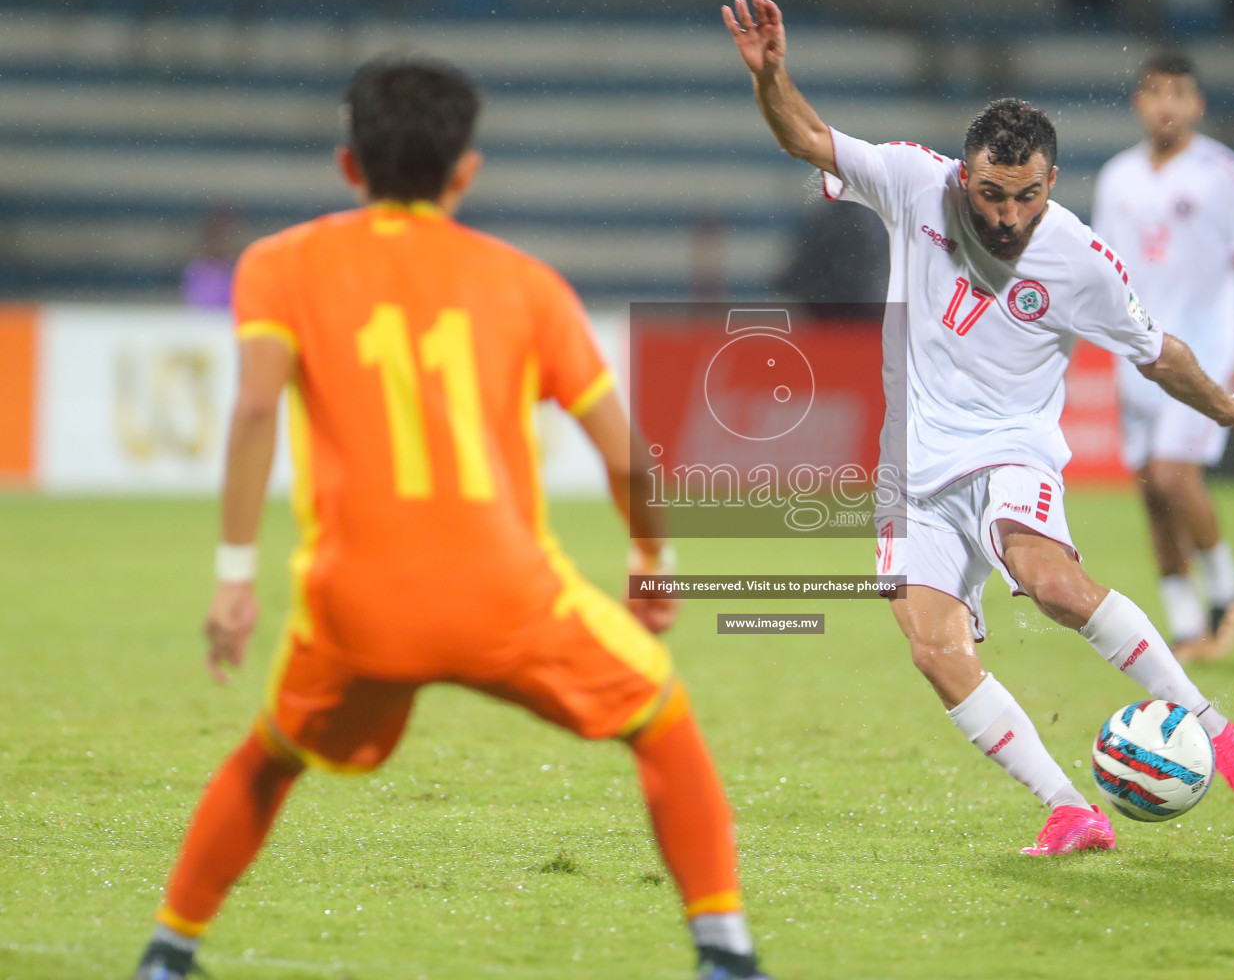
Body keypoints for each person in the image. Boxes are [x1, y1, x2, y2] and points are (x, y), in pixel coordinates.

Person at [133, 55, 770, 980]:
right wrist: (651, 557)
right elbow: (628, 453)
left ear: (349, 165)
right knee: (661, 717)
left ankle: (167, 951)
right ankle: (726, 953)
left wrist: (235, 577)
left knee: (271, 757)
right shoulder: (525, 283)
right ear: (465, 170)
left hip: (357, 605)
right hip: (505, 595)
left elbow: (255, 411)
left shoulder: (279, 265)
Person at [723, 0, 1234, 856]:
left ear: (1051, 184)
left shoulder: (1080, 258)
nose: (1007, 217)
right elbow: (806, 135)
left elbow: (1155, 349)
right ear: (962, 176)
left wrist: (1224, 401)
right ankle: (1069, 807)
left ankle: (1216, 728)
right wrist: (772, 76)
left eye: (1026, 196)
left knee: (1052, 583)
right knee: (932, 647)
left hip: (1010, 447)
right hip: (911, 464)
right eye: (990, 194)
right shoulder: (914, 181)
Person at [1093, 51, 1234, 663]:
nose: (1166, 103)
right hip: (1138, 353)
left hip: (1205, 351)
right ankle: (1185, 624)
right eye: (1154, 92)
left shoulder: (1225, 173)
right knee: (1151, 489)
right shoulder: (1116, 177)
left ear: (1197, 103)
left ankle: (1225, 592)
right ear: (1138, 104)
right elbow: (1100, 270)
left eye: (1178, 92)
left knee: (1175, 475)